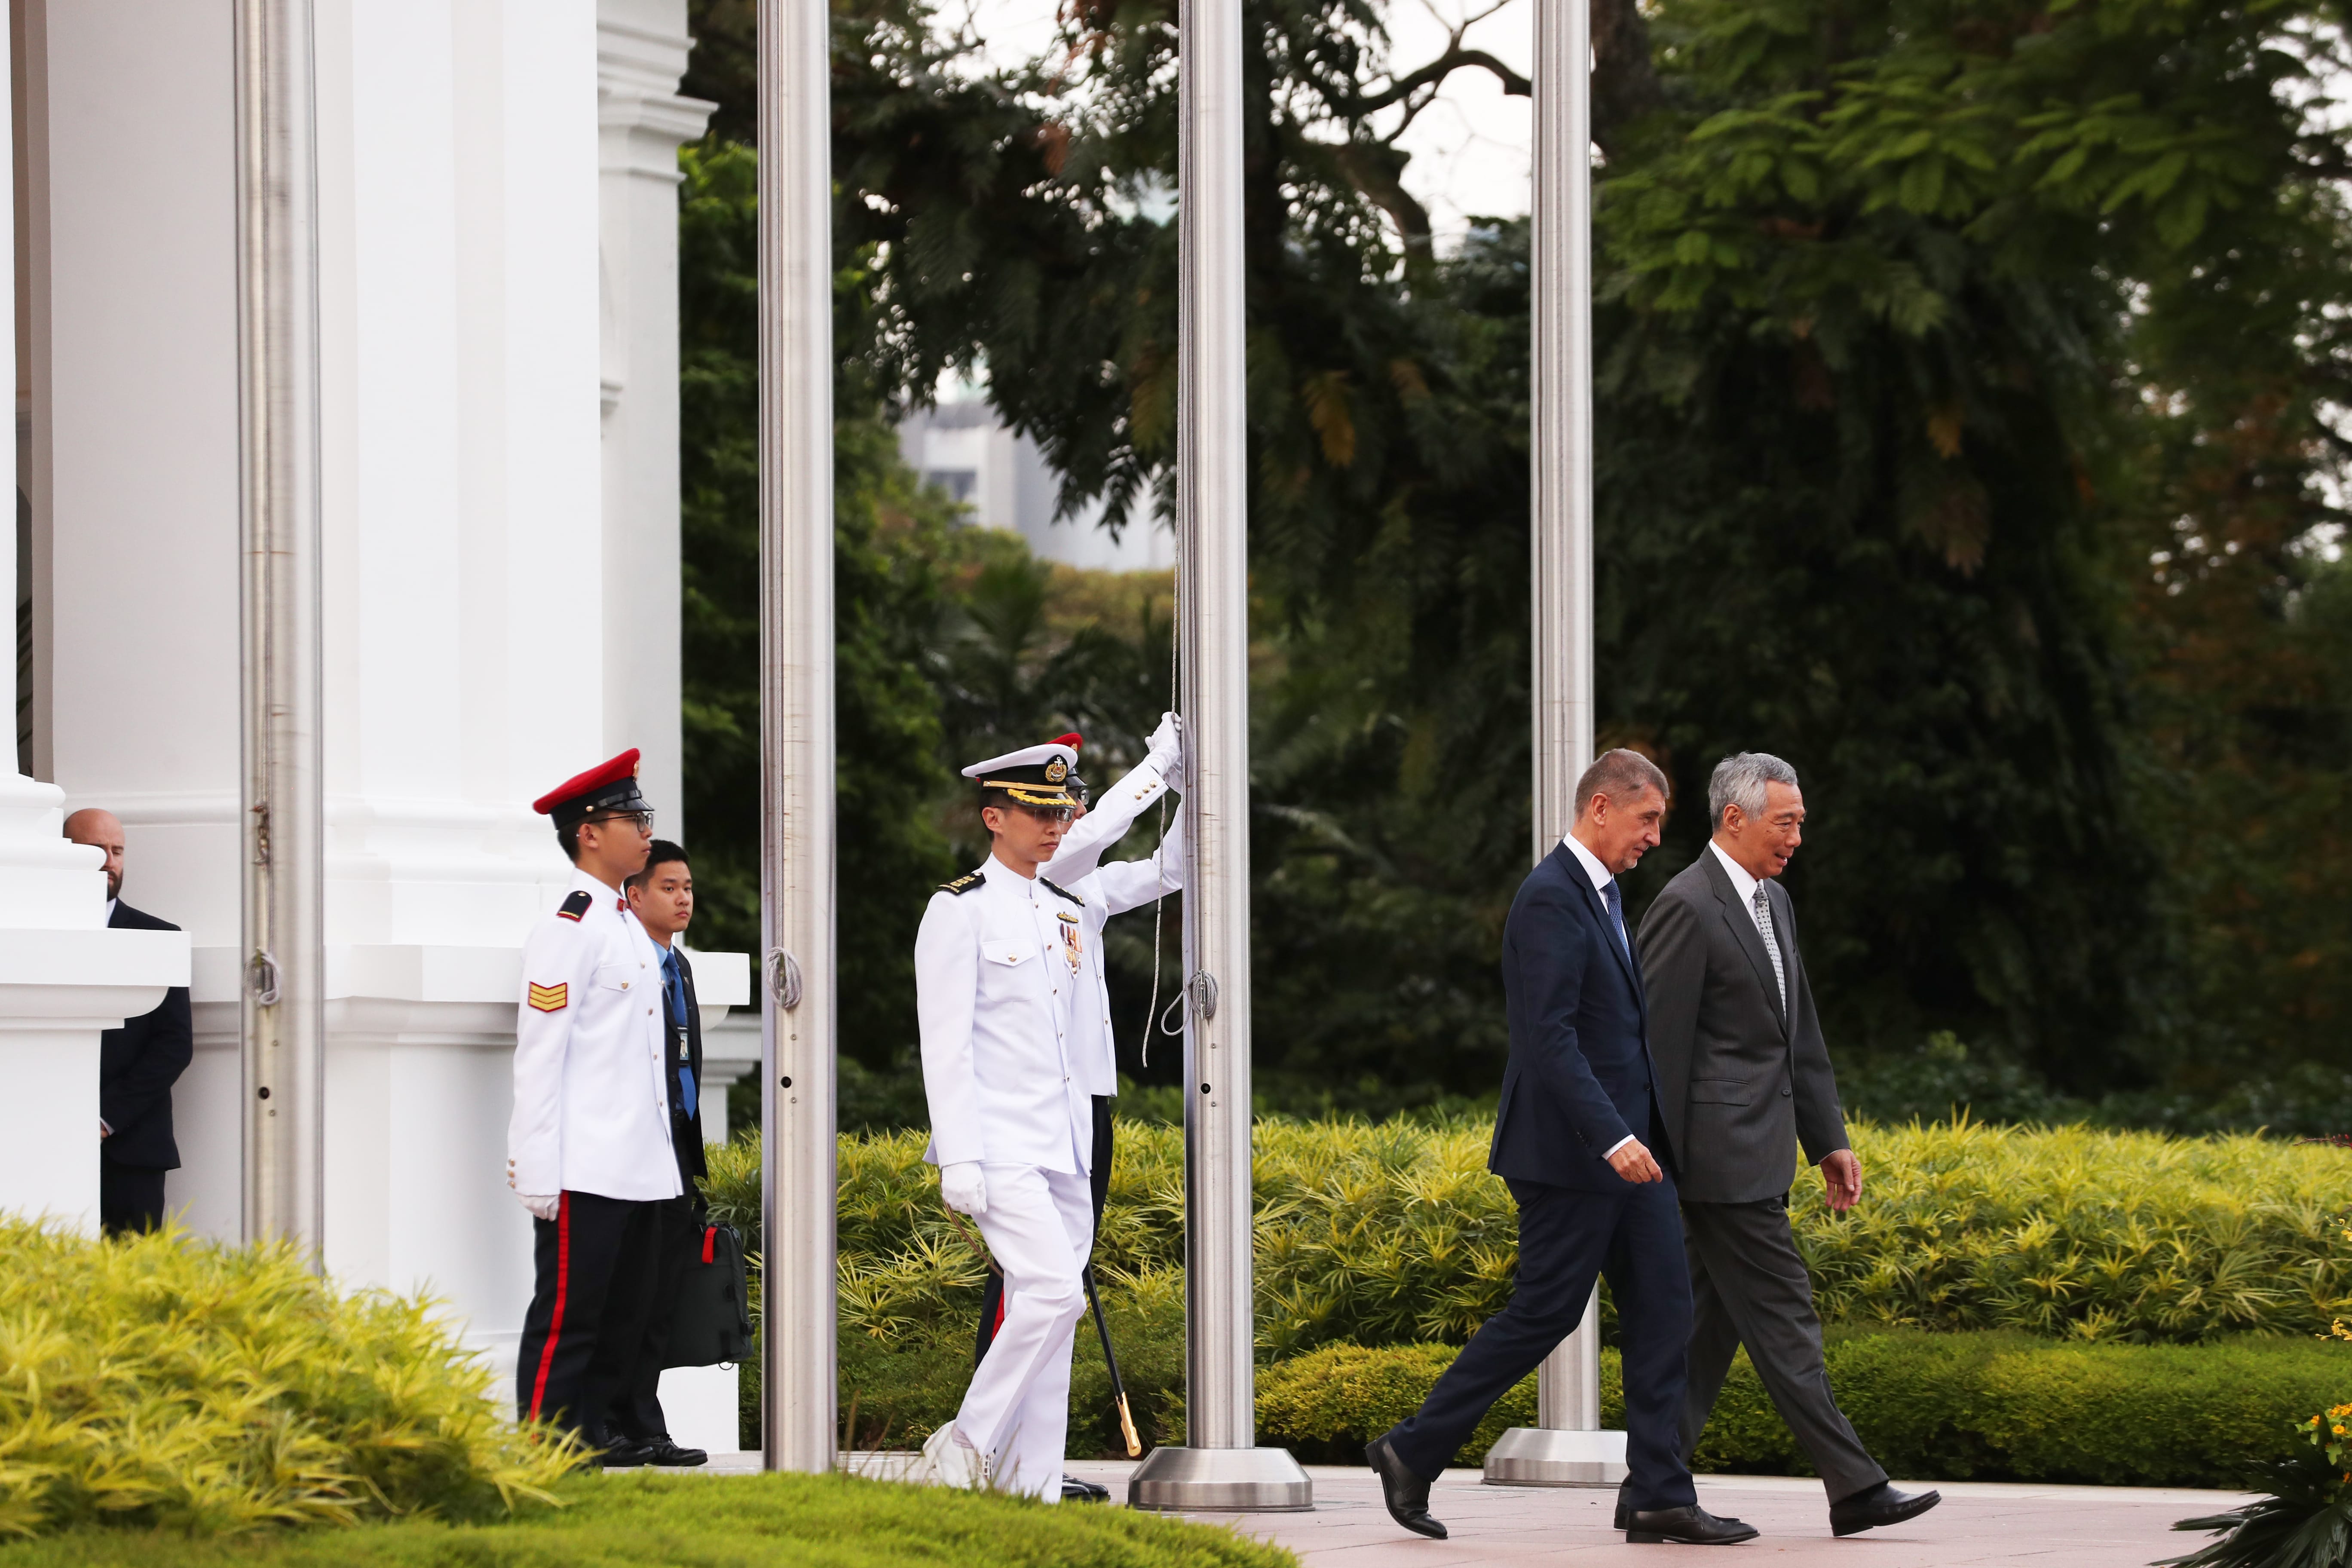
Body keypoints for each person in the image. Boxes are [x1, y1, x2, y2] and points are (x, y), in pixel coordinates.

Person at [1365, 748, 1756, 1547]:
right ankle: (1411, 1447)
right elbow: (1547, 1039)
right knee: (1543, 1312)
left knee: (1665, 1310)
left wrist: (1639, 1134)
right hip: (1573, 1153)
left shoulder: (1604, 894)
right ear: (1601, 807)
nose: (1654, 836)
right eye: (1647, 819)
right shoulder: (1549, 897)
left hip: (1631, 1152)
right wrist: (1610, 1132)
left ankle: (1657, 1492)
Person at [1636, 752, 1941, 1538]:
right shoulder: (1686, 905)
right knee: (1785, 1317)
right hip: (1714, 1162)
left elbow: (1794, 1035)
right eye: (1787, 821)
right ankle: (1854, 1485)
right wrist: (1653, 1167)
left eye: (1800, 821)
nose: (1798, 835)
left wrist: (1827, 1139)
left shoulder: (1775, 902)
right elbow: (1657, 1049)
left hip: (1758, 1153)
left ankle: (1651, 1491)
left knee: (1709, 1331)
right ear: (1733, 818)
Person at [916, 737, 1183, 1500]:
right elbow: (946, 1046)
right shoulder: (956, 908)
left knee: (1058, 1319)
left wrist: (1199, 790)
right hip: (996, 1141)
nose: (1055, 822)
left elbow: (1066, 1044)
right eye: (1037, 810)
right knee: (1054, 1293)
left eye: (1059, 809)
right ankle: (965, 1437)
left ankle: (1030, 1483)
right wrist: (959, 1156)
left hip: (1062, 1141)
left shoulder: (1065, 909)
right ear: (993, 817)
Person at [506, 749, 680, 1463]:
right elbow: (539, 1054)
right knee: (569, 1316)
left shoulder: (624, 926)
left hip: (639, 1160)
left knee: (624, 1313)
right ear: (588, 832)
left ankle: (600, 1431)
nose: (645, 831)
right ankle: (548, 1440)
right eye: (632, 818)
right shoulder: (569, 928)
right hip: (585, 1161)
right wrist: (536, 1164)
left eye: (644, 816)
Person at [601, 839, 711, 1468]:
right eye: (669, 887)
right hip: (628, 1153)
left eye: (688, 888)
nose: (683, 898)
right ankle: (611, 1424)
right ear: (634, 895)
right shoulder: (623, 963)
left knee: (659, 1301)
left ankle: (647, 1423)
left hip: (675, 1153)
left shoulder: (680, 965)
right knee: (625, 1296)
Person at [65, 808, 193, 1237]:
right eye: (96, 849)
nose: (110, 860)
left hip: (133, 1151)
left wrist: (104, 1118)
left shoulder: (161, 939)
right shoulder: (28, 933)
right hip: (44, 1145)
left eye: (117, 850)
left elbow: (174, 1045)